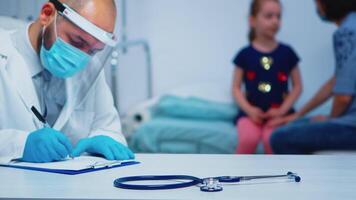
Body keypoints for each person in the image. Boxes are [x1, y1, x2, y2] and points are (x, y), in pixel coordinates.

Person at [0, 0, 134, 163]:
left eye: (93, 51)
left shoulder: (90, 68)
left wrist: (101, 139)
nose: (81, 57)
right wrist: (19, 145)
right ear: (47, 14)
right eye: (77, 42)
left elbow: (109, 129)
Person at [270, 0, 356, 154]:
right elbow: (336, 82)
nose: (316, 7)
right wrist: (297, 115)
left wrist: (331, 119)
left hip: (351, 127)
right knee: (296, 124)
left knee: (279, 137)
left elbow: (343, 97)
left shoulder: (347, 32)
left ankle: (306, 178)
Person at [232, 0, 302, 154]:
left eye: (278, 16)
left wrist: (282, 111)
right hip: (250, 115)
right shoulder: (244, 54)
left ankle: (277, 177)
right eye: (269, 16)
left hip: (279, 116)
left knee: (272, 140)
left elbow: (298, 86)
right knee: (248, 139)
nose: (275, 21)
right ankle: (237, 175)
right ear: (252, 20)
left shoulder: (287, 52)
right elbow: (235, 88)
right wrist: (250, 110)